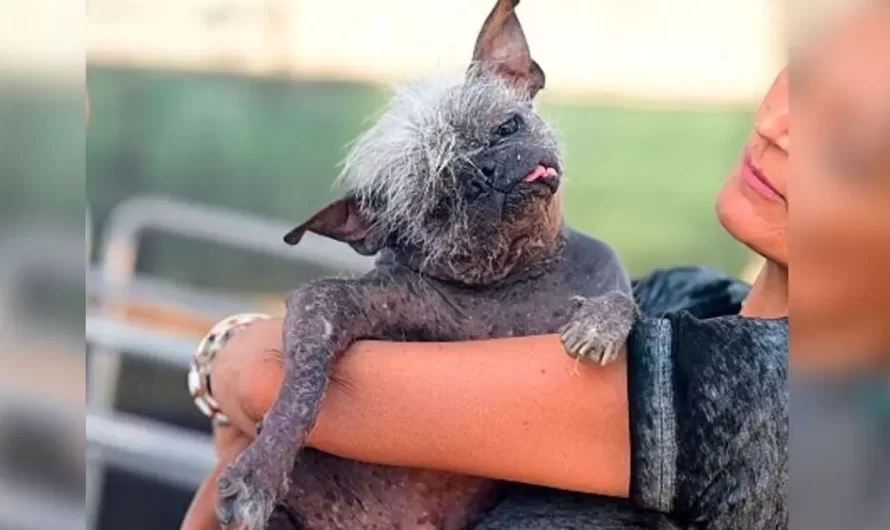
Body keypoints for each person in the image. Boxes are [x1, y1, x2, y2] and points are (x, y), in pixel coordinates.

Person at [181, 70, 791, 530]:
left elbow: (261, 377)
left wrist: (222, 363)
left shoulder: (779, 391)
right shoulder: (685, 292)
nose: (776, 127)